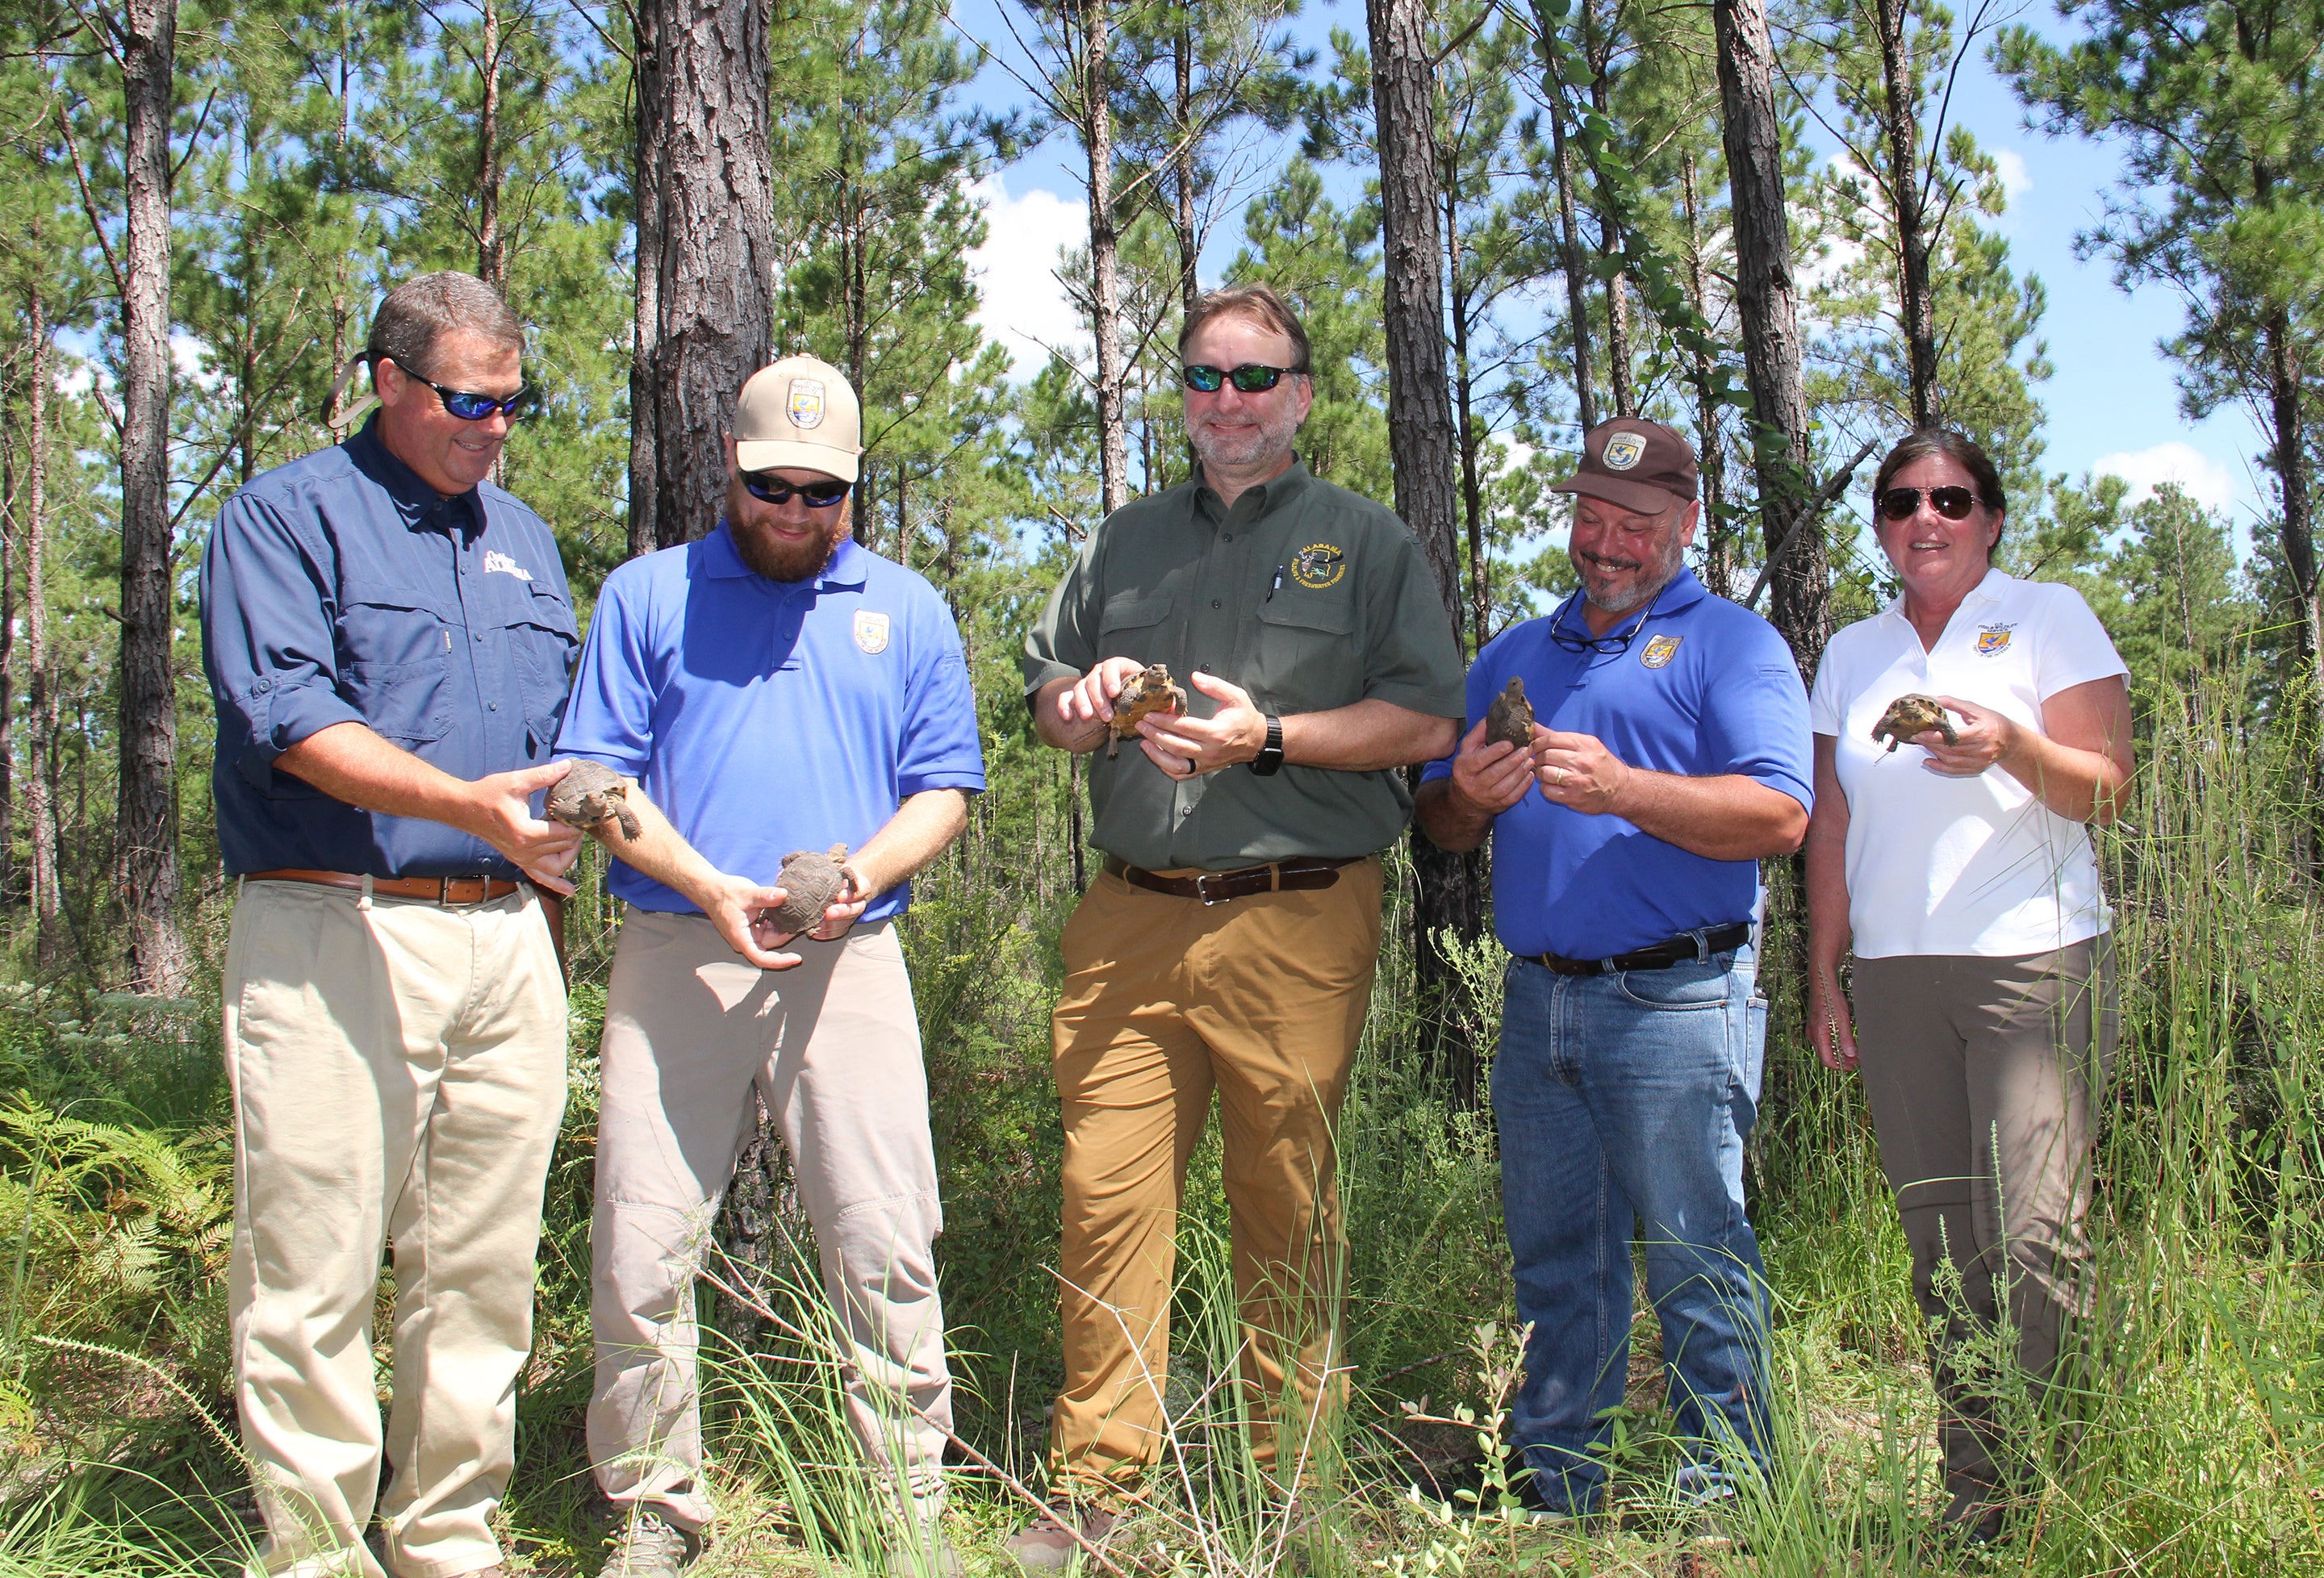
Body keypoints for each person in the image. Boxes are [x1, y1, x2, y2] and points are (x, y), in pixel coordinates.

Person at [1011, 284, 1465, 1568]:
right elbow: (1044, 697)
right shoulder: (1124, 540)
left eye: (1255, 378)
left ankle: (1291, 1487)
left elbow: (1428, 722)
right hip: (1129, 921)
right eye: (1206, 377)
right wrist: (1080, 697)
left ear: (1302, 395)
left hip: (1298, 918)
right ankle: (1101, 1485)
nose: (1228, 402)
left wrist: (1265, 736)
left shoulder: (1364, 541)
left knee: (1289, 1205)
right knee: (1105, 1199)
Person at [554, 355, 984, 1578]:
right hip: (676, 953)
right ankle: (653, 1507)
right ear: (729, 469)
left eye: (823, 493)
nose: (796, 512)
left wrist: (857, 879)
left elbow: (945, 785)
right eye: (773, 487)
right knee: (640, 1242)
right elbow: (600, 779)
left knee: (885, 1240)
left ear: (855, 489)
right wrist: (708, 888)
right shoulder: (646, 596)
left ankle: (906, 1510)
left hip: (851, 959)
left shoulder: (905, 609)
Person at [199, 271, 582, 1578]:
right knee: (313, 1271)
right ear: (388, 379)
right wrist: (471, 808)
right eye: (467, 399)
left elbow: (554, 747)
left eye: (511, 403)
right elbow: (290, 723)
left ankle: (449, 1538)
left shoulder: (525, 536)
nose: (492, 427)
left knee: (482, 1269)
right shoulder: (286, 519)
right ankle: (316, 1554)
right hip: (333, 928)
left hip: (507, 941)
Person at [1414, 417, 1812, 1521]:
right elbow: (1440, 824)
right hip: (1539, 999)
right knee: (1555, 1259)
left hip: (1678, 1000)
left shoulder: (1734, 644)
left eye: (1635, 522)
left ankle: (1724, 1501)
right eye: (1591, 514)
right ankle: (1553, 1481)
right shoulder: (1513, 654)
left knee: (1696, 1256)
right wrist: (1467, 799)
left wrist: (1628, 788)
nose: (1607, 541)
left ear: (1685, 524)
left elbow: (1782, 812)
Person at [1804, 429, 2130, 1542]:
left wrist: (2011, 745)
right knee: (1944, 1246)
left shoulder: (2048, 616)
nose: (1923, 519)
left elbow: (2104, 790)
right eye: (1900, 502)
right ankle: (1977, 1499)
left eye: (1950, 499)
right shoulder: (1853, 651)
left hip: (2033, 963)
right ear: (1882, 525)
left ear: (1991, 516)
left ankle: (2058, 1490)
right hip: (1894, 976)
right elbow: (1832, 824)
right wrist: (1825, 977)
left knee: (2037, 1237)